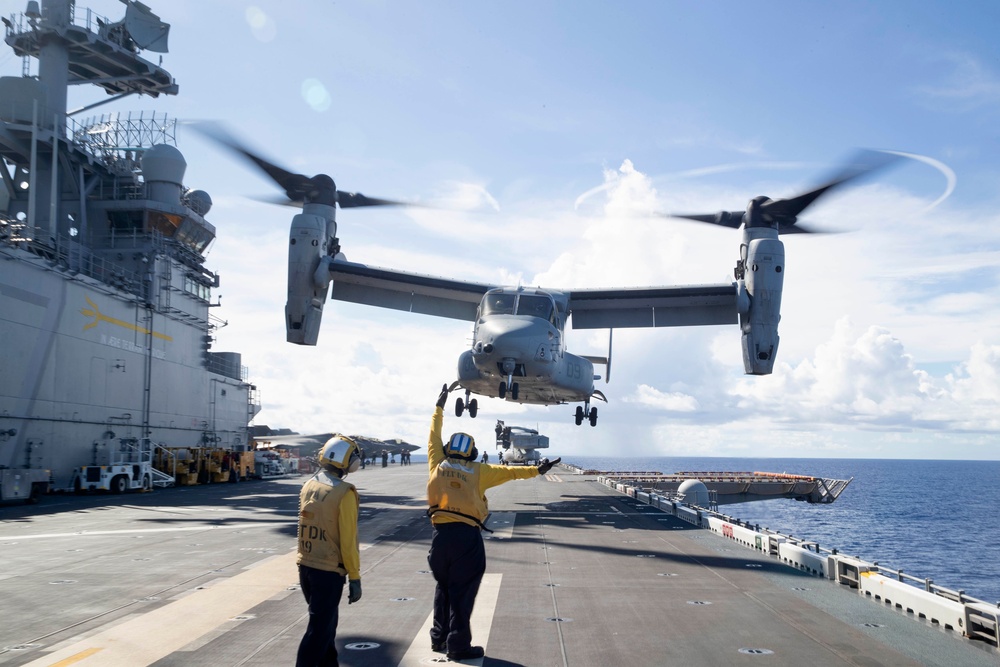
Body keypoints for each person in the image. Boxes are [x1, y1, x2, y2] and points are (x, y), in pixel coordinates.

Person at [426, 384, 560, 662]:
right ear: (472, 453)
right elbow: (511, 472)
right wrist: (539, 469)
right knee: (462, 594)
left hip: (439, 538)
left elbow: (433, 435)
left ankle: (438, 637)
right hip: (466, 539)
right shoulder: (480, 471)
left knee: (444, 588)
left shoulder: (436, 462)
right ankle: (458, 645)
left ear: (449, 449)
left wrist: (440, 406)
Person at [296, 435, 363, 667]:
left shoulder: (309, 485)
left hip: (305, 566)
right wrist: (354, 576)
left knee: (326, 630)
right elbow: (348, 540)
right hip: (328, 572)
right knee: (318, 634)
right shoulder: (344, 493)